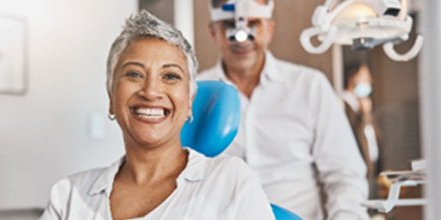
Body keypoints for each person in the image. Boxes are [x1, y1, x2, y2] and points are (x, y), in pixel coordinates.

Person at [39, 10, 275, 220]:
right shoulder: (69, 195)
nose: (151, 92)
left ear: (190, 102)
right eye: (134, 74)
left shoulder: (229, 181)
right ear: (111, 97)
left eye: (170, 76)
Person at [198, 0, 369, 219]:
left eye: (254, 24)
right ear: (213, 32)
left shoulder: (309, 86)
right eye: (229, 25)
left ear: (270, 29)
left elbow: (345, 175)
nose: (242, 37)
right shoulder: (194, 93)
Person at [341, 63, 381, 198]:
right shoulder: (342, 104)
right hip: (354, 172)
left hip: (370, 170)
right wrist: (364, 115)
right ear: (353, 78)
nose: (370, 81)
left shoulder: (363, 104)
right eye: (365, 77)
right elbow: (352, 135)